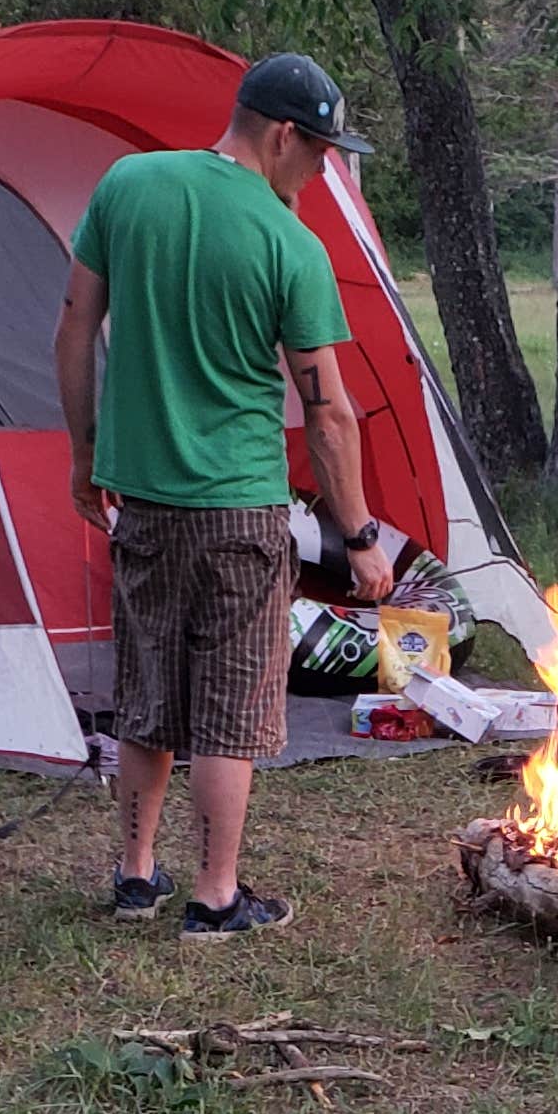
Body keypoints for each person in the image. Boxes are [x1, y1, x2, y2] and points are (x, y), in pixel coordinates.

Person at [54, 51, 397, 938]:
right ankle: (215, 895)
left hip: (143, 503)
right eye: (319, 153)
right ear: (282, 134)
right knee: (229, 711)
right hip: (241, 511)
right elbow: (330, 416)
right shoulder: (291, 246)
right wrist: (358, 537)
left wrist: (86, 456)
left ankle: (134, 875)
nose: (322, 172)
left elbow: (74, 325)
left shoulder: (127, 185)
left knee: (146, 695)